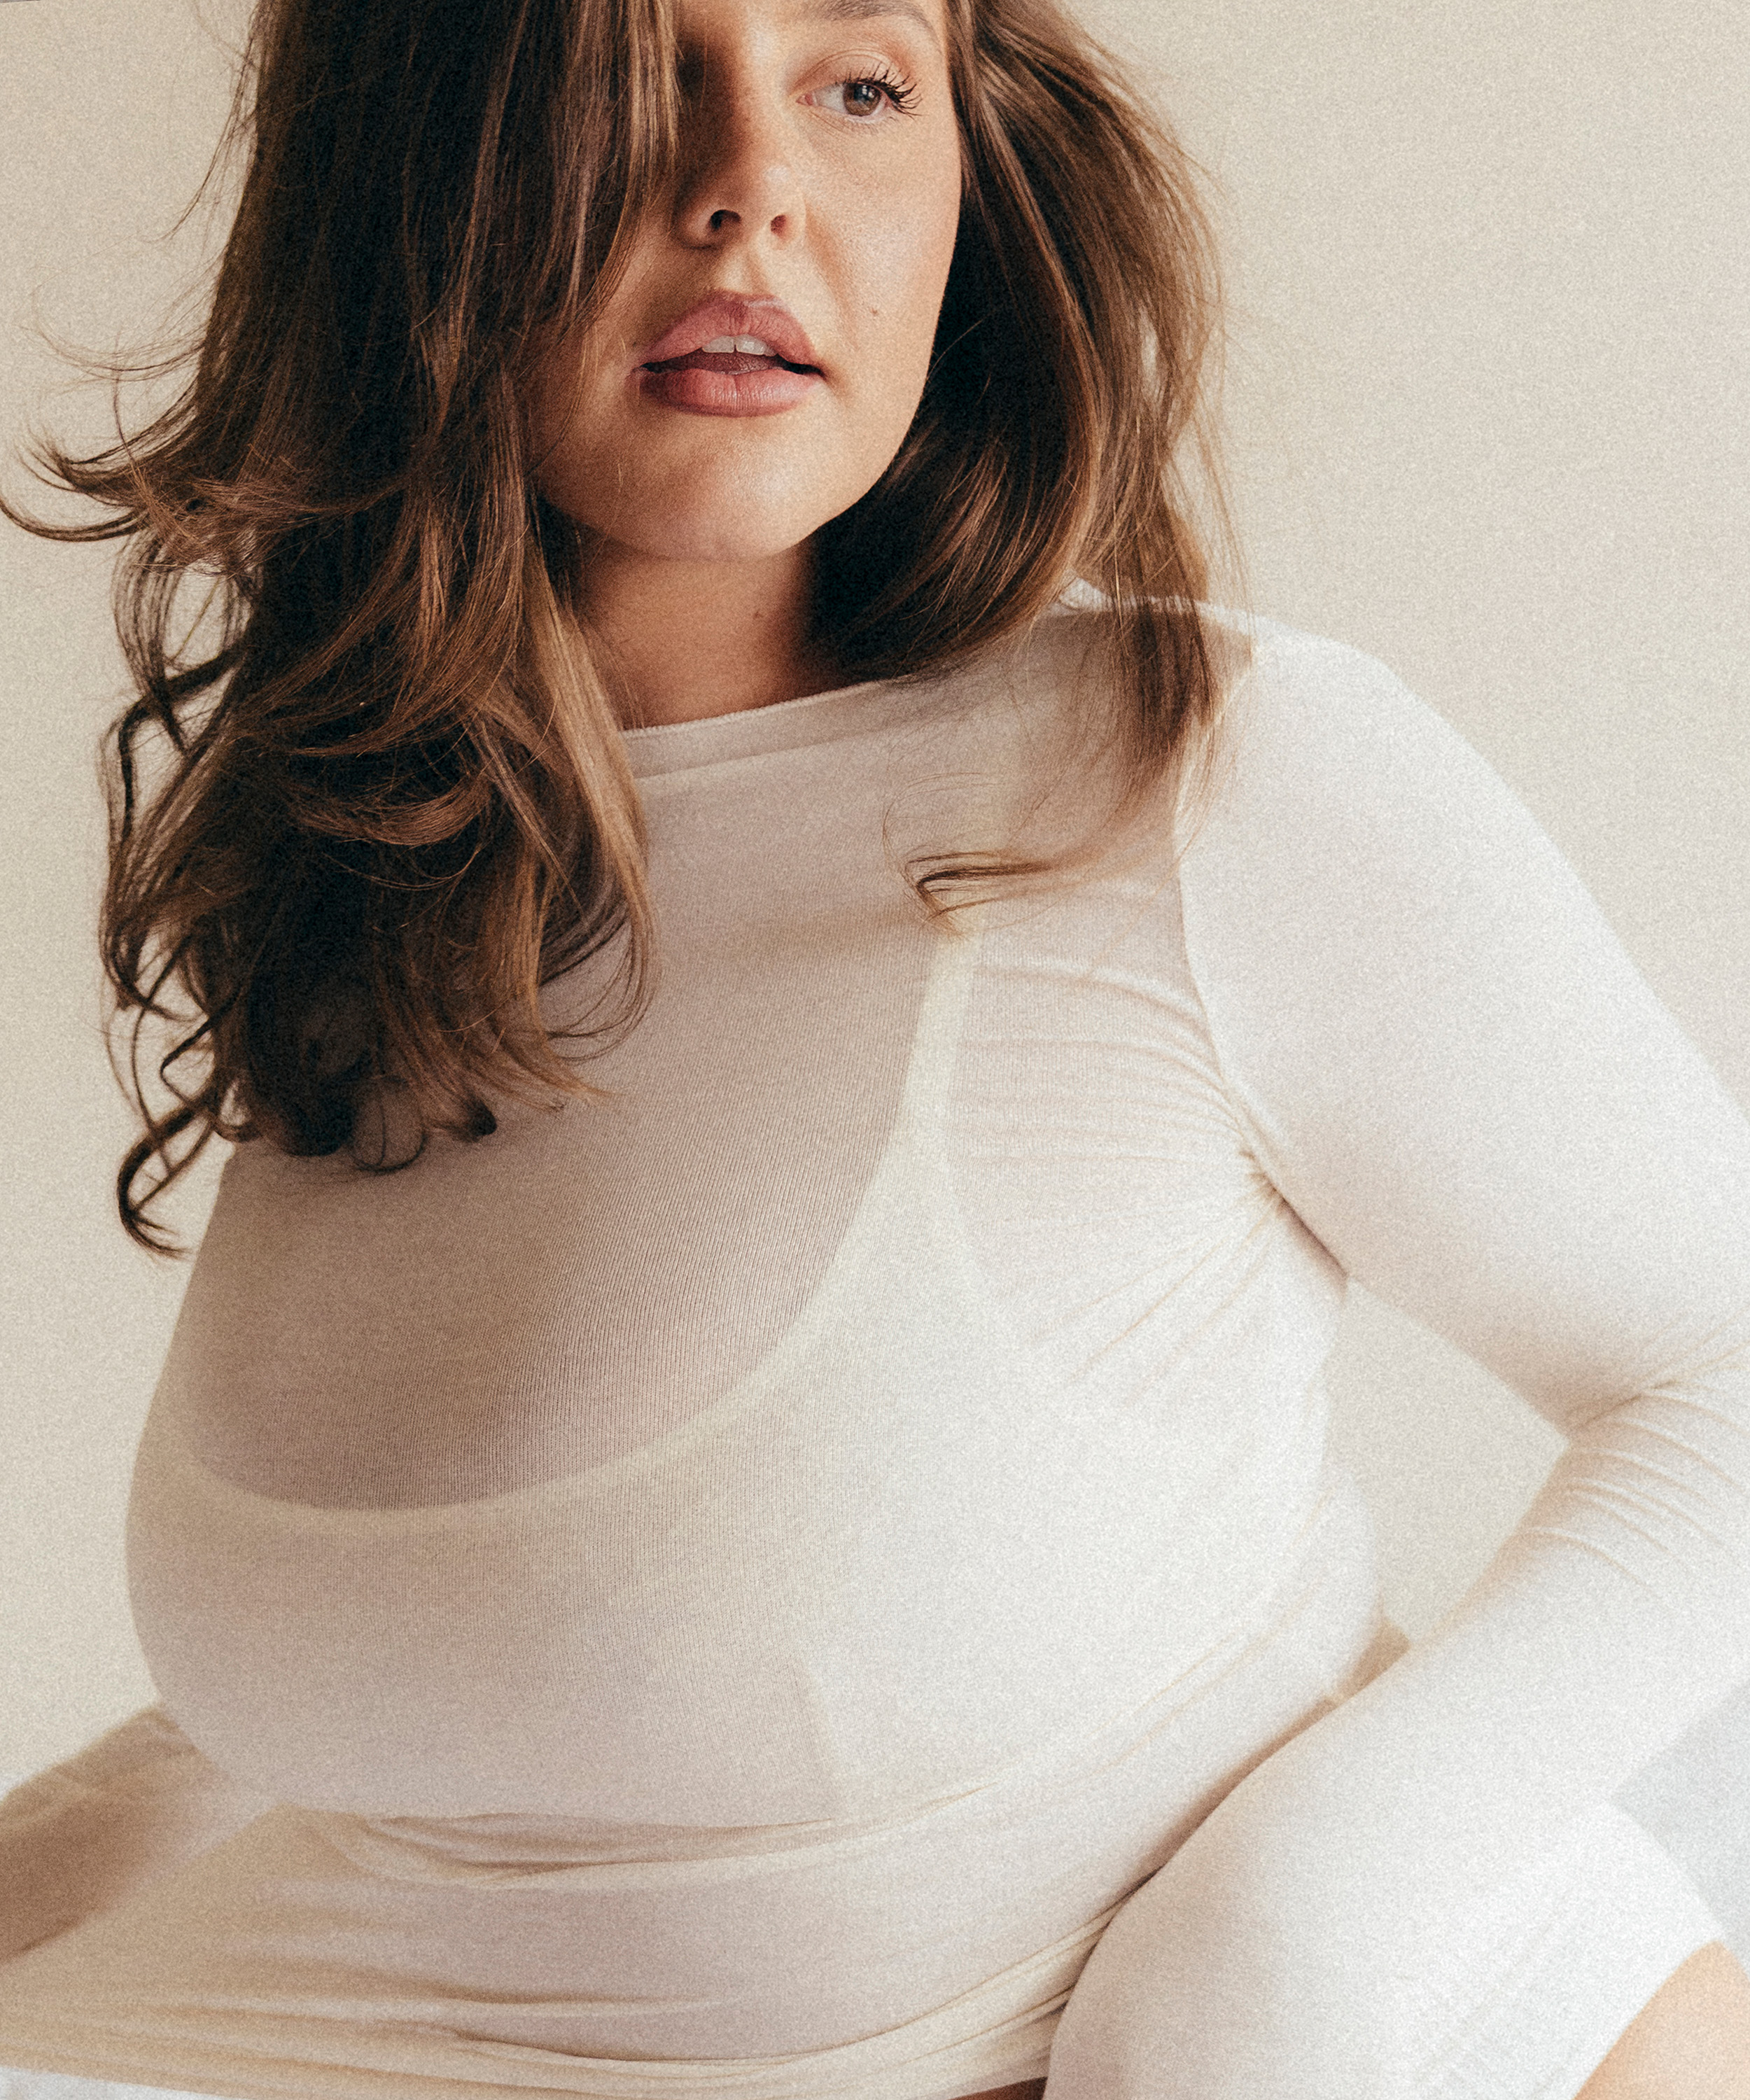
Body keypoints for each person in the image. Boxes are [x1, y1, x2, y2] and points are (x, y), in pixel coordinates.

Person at [3, 0, 1750, 2095]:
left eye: (857, 86)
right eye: (627, 79)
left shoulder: (1193, 775)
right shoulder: (394, 890)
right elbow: (505, 1680)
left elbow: (1722, 1373)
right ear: (411, 178)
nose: (750, 188)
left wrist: (1282, 1949)